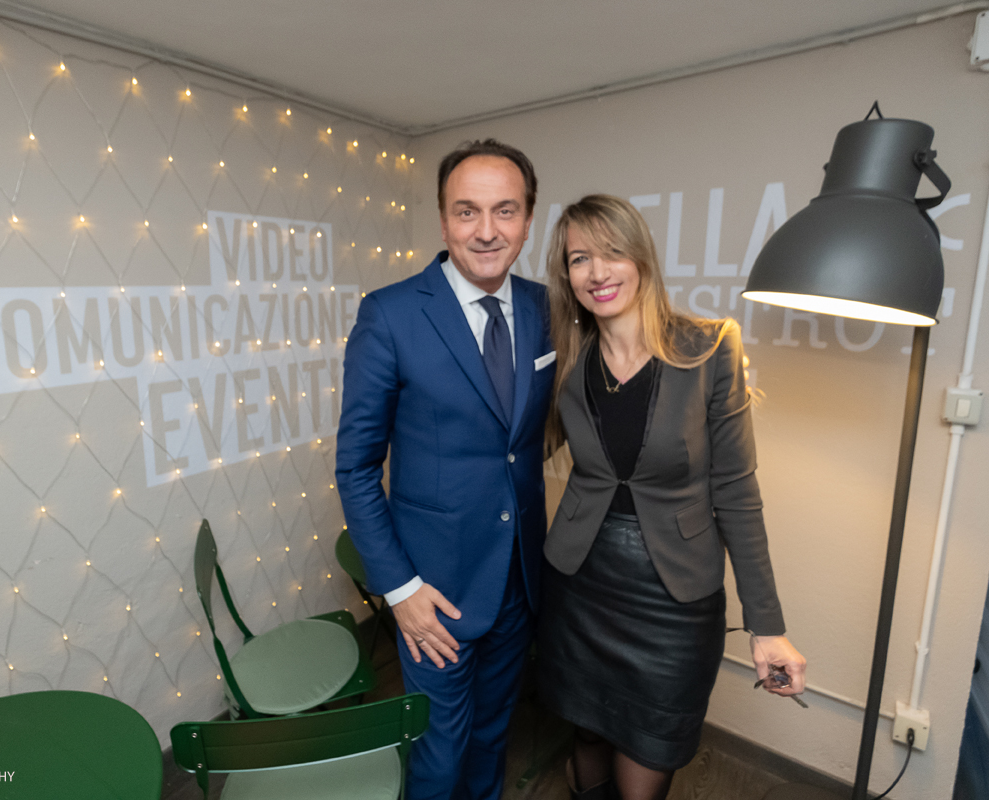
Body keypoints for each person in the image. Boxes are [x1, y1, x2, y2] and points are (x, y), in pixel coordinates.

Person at [536, 194, 807, 800]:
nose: (598, 272)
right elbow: (512, 450)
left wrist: (767, 626)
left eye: (611, 252)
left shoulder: (710, 347)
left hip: (674, 597)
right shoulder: (567, 361)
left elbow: (737, 490)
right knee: (585, 734)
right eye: (580, 258)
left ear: (642, 257)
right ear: (566, 275)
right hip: (580, 580)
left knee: (648, 753)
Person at [335, 140, 554, 800]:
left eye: (504, 211)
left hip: (518, 577)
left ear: (527, 219)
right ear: (442, 220)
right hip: (433, 593)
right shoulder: (392, 313)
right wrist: (400, 592)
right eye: (467, 212)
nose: (486, 231)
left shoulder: (549, 308)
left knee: (492, 736)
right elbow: (355, 467)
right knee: (438, 752)